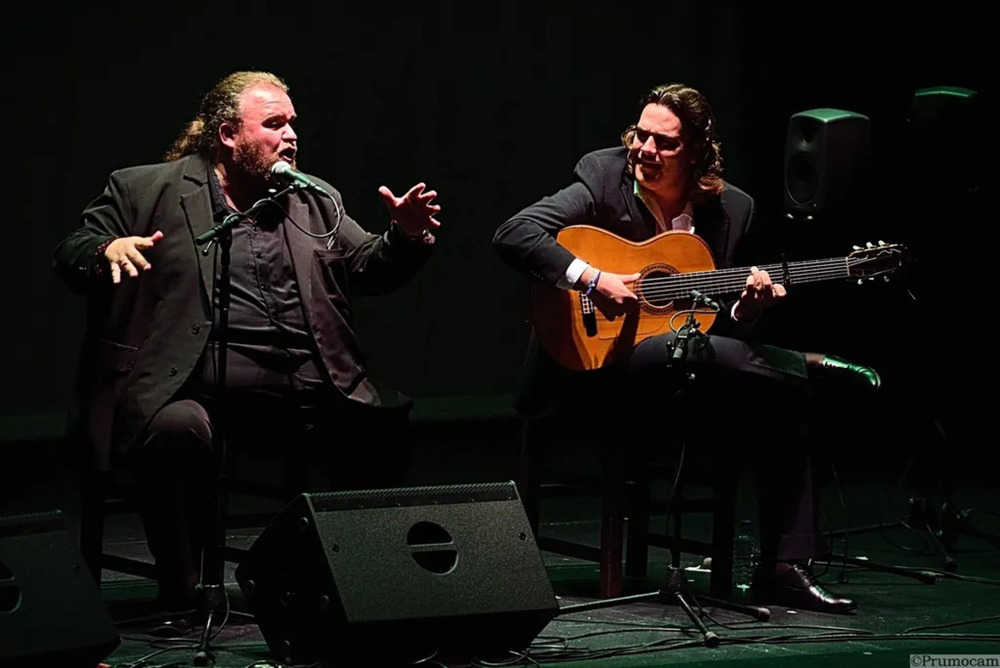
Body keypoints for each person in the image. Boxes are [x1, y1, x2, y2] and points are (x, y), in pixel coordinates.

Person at [53, 71, 441, 621]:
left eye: (292, 124)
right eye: (275, 124)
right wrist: (107, 248)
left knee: (376, 420)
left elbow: (367, 267)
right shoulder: (146, 189)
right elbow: (74, 247)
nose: (290, 136)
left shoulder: (313, 199)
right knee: (175, 430)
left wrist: (404, 236)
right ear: (229, 134)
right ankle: (185, 592)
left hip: (300, 385)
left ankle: (362, 595)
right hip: (188, 385)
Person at [493, 82, 881, 614]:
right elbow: (515, 233)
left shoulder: (731, 211)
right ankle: (803, 368)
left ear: (697, 151)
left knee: (776, 398)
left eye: (664, 143)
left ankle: (784, 567)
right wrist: (594, 277)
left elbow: (720, 322)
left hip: (680, 382)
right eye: (640, 136)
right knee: (700, 351)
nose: (645, 151)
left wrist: (748, 308)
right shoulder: (602, 177)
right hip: (593, 370)